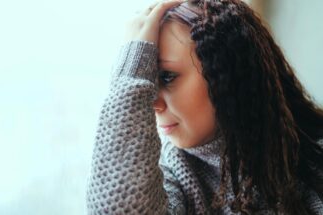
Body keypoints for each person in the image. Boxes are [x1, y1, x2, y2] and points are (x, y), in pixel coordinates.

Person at [86, 0, 323, 214]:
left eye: (167, 77)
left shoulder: (314, 159)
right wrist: (132, 67)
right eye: (149, 81)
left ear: (227, 73)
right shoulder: (172, 179)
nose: (153, 104)